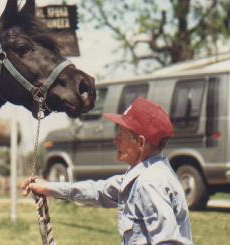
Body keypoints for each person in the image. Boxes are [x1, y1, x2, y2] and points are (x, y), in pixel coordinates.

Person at [22, 97, 193, 245]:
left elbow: (168, 242)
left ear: (140, 143)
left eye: (121, 135)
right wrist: (49, 188)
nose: (115, 140)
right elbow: (99, 191)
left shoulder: (149, 183)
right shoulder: (146, 174)